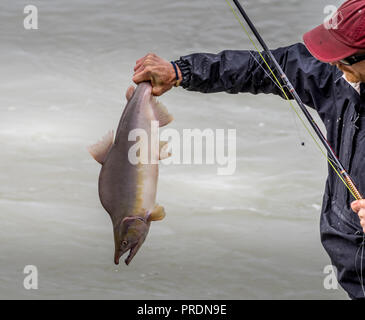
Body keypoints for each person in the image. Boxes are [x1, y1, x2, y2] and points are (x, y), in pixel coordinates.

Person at [133, 0, 365, 299]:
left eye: (344, 57)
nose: (334, 63)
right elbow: (261, 68)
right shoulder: (337, 76)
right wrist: (180, 71)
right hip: (351, 267)